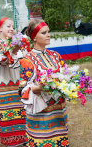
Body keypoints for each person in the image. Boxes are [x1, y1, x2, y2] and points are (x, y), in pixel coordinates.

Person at [19, 19, 69, 147]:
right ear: (34, 37)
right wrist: (42, 87)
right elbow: (23, 90)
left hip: (59, 110)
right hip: (41, 113)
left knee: (60, 141)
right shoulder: (27, 60)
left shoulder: (55, 55)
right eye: (44, 32)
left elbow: (67, 75)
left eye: (48, 32)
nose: (48, 35)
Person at [0, 17, 27, 146]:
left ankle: (23, 138)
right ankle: (10, 140)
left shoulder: (17, 42)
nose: (12, 29)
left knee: (22, 109)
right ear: (0, 28)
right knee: (7, 111)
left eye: (12, 26)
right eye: (8, 26)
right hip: (3, 81)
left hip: (18, 80)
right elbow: (2, 61)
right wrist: (13, 50)